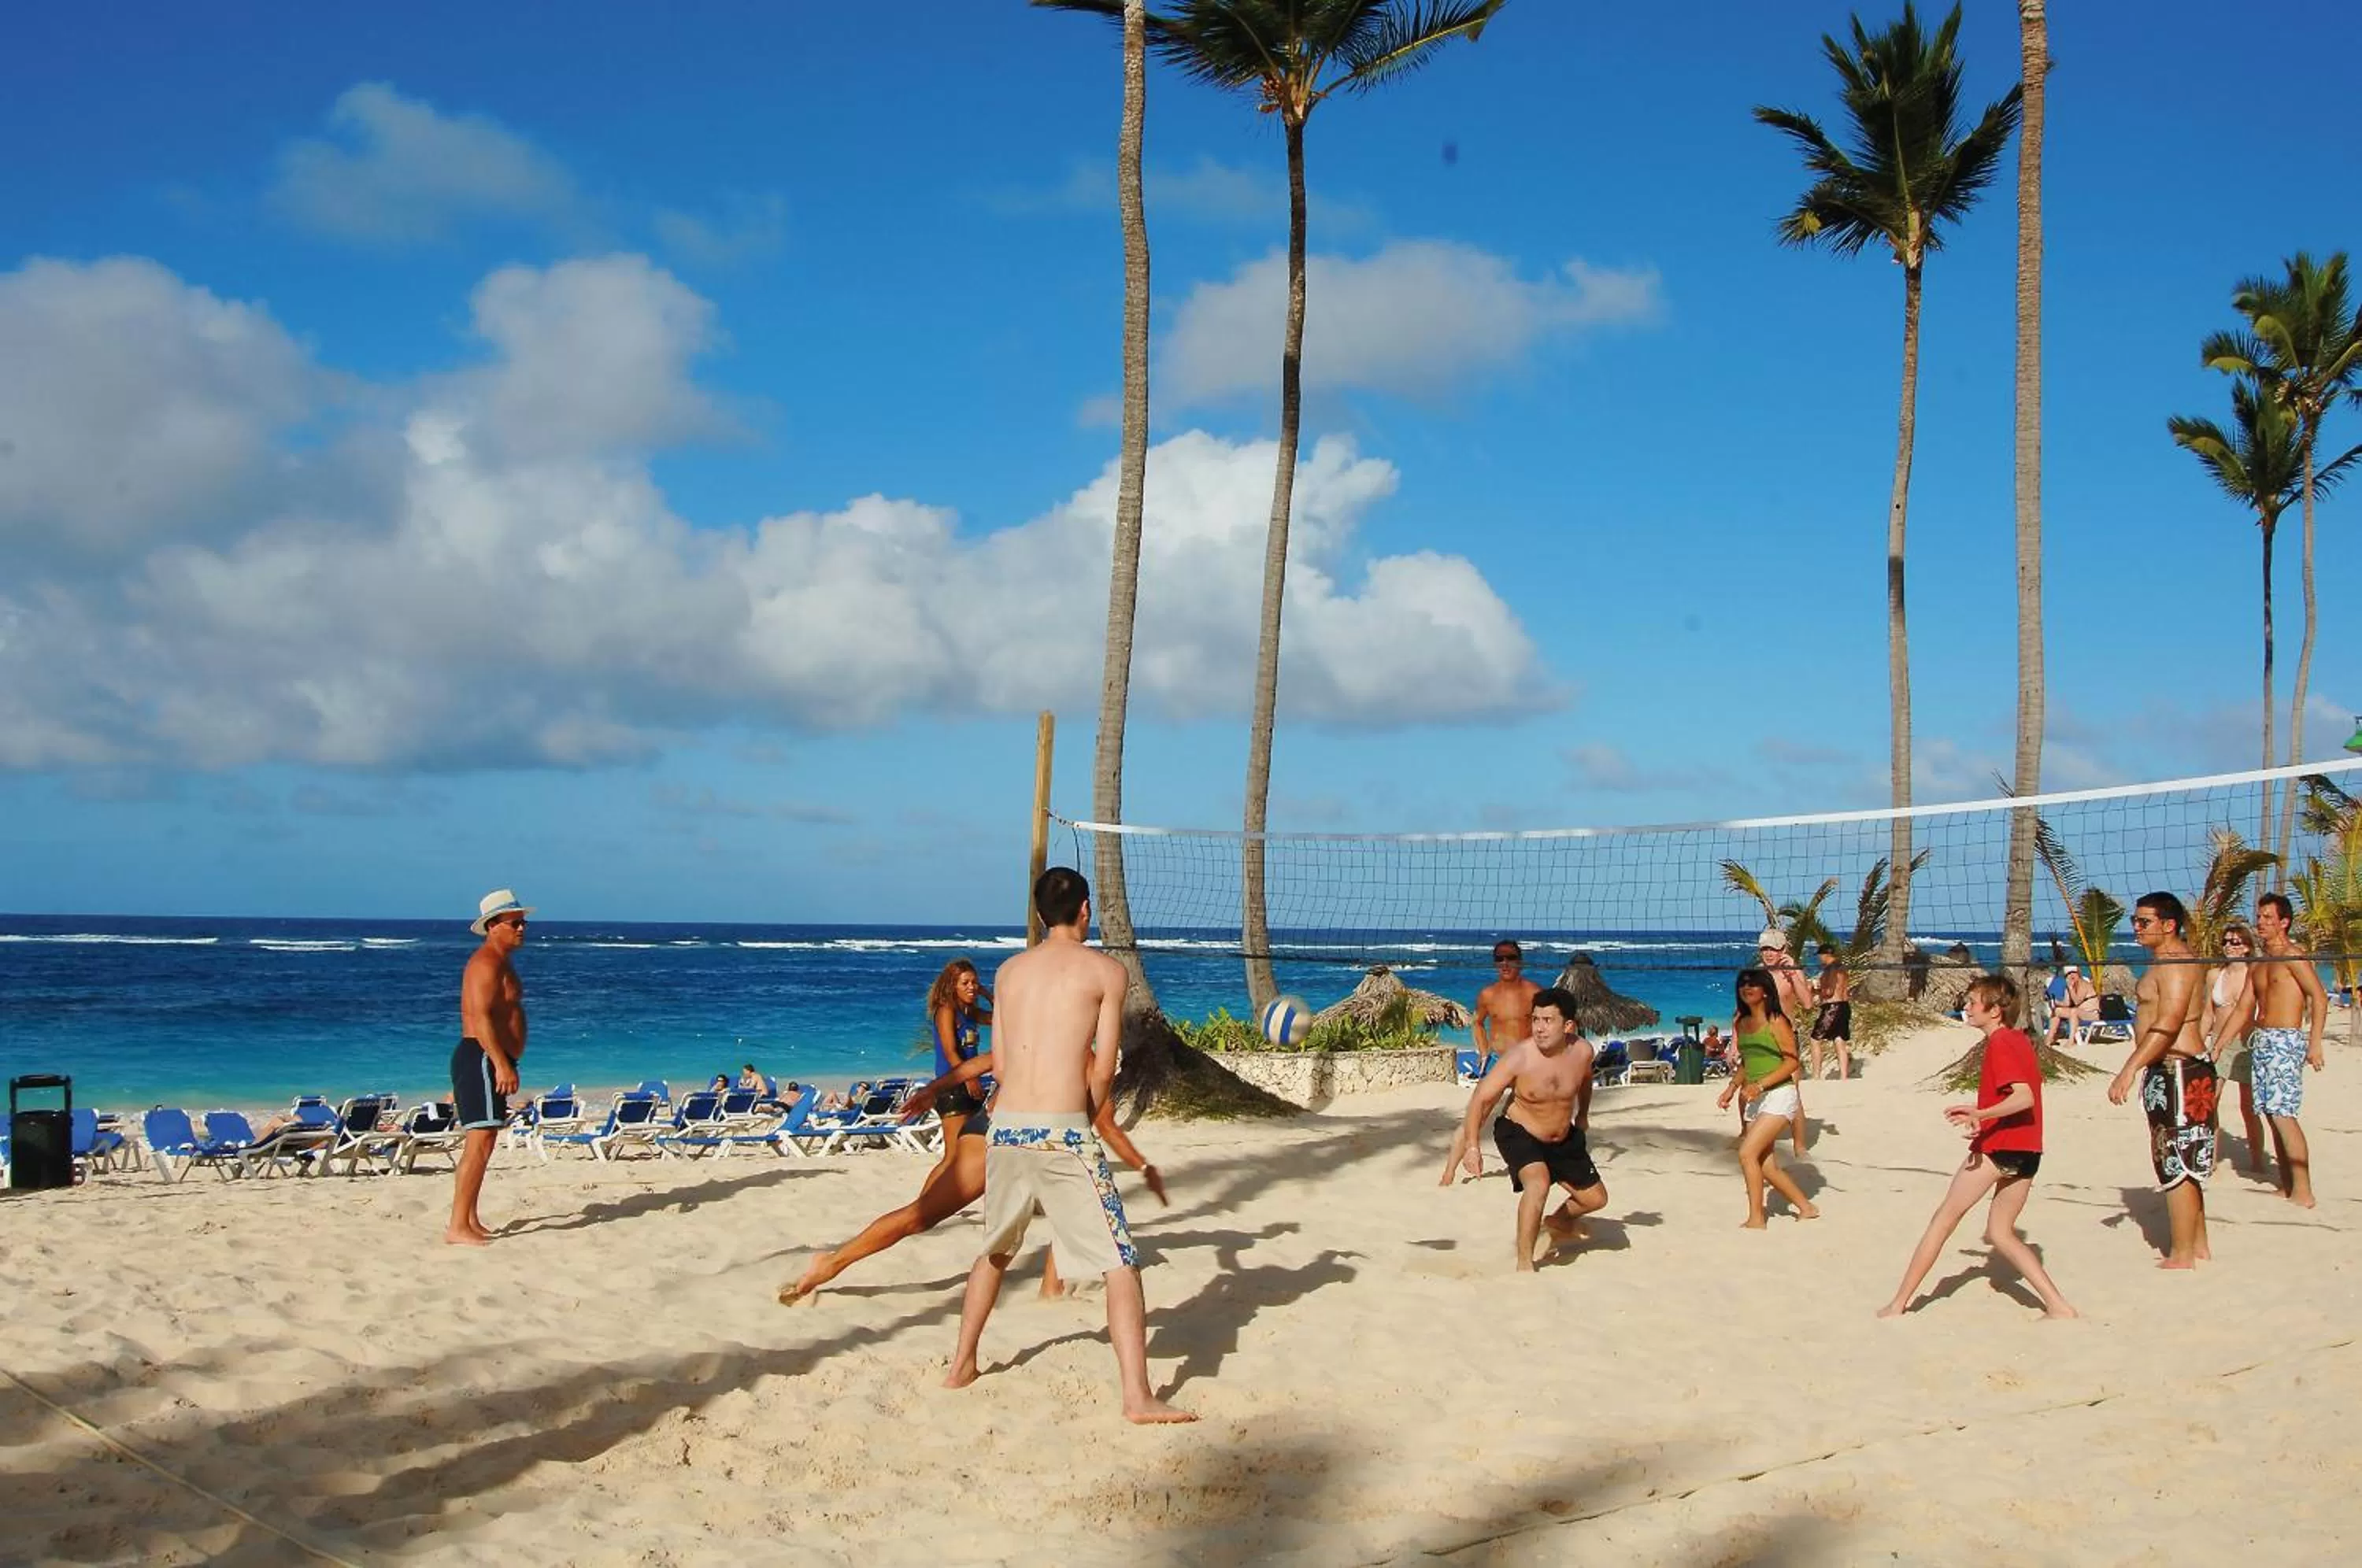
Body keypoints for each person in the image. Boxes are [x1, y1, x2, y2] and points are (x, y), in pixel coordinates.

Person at [942, 868, 1192, 1423]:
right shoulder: (1105, 970)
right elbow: (1103, 1067)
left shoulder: (1007, 972)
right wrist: (1085, 1113)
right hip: (1062, 1130)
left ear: (1038, 915)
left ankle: (961, 1365)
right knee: (1120, 1261)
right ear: (1085, 910)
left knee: (996, 1250)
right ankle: (1137, 1397)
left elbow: (1002, 1066)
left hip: (1006, 1127)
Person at [778, 1042, 1167, 1305]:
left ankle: (1053, 1289)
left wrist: (932, 1090)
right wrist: (1143, 1166)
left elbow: (975, 1065)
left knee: (1068, 1202)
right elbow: (1109, 1128)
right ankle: (829, 1264)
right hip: (994, 1139)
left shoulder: (1039, 1037)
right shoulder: (1082, 1060)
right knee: (920, 1216)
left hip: (1003, 1133)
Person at [1878, 974, 2076, 1319]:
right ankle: (2059, 1307)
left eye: (1973, 1002)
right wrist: (1984, 1119)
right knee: (2000, 1233)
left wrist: (1982, 1113)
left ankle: (1898, 1304)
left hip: (2001, 1150)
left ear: (1996, 1010)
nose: (1966, 1007)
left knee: (1944, 1219)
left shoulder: (2002, 1043)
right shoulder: (2019, 1040)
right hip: (2028, 1149)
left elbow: (2024, 1097)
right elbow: (2020, 1098)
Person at [1442, 986, 1609, 1271]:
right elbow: (1480, 1098)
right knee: (1538, 1183)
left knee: (1595, 1199)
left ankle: (1555, 1222)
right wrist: (1472, 1146)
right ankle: (1524, 1264)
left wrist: (1583, 1115)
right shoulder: (1520, 1057)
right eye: (1535, 1020)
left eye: (1547, 1021)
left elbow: (1584, 1080)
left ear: (1568, 1025)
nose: (1539, 1028)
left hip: (1562, 1136)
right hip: (1519, 1131)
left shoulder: (1582, 1051)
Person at [2107, 891, 2214, 1269]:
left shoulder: (2175, 962)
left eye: (2144, 922)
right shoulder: (2168, 961)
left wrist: (2129, 1069)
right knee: (2183, 1156)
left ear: (2168, 925)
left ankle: (2184, 1254)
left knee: (2178, 1160)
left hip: (2179, 1069)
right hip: (2174, 1068)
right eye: (2134, 921)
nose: (2136, 928)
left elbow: (2169, 1023)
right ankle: (2197, 1245)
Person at [448, 888, 530, 1247]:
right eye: (515, 923)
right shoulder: (485, 963)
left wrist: (508, 1060)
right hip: (481, 1056)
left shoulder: (502, 962)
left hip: (491, 1058)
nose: (522, 928)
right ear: (493, 925)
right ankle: (456, 1226)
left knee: (487, 1141)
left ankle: (469, 1218)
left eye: (523, 922)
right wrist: (500, 1063)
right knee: (478, 1143)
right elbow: (480, 1019)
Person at [1716, 967, 1819, 1228]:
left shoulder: (1777, 1020)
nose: (1747, 988)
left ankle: (1756, 1218)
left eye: (1753, 984)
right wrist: (1731, 1088)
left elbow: (1792, 1062)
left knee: (1747, 1154)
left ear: (1765, 991)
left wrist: (1760, 1086)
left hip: (1779, 1094)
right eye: (1743, 984)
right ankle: (1807, 1207)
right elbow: (1747, 1062)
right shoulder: (1742, 1022)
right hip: (1755, 1097)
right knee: (1766, 1166)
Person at [2251, 891, 2330, 1207]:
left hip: (2286, 1040)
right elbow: (2246, 1005)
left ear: (2284, 922)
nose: (2261, 922)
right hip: (2262, 1041)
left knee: (2284, 1114)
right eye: (2259, 916)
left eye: (2268, 918)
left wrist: (2315, 1042)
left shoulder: (2292, 955)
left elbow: (2319, 997)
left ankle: (2304, 1191)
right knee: (2270, 1114)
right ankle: (2287, 1185)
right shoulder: (2260, 962)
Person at [2202, 920, 2265, 1175]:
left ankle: (2258, 1162)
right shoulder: (2215, 975)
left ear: (2247, 947)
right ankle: (2211, 1160)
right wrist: (2200, 1042)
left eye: (2235, 942)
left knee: (2248, 1108)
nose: (2229, 945)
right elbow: (2208, 1013)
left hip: (2245, 1045)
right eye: (2226, 941)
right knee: (2209, 1103)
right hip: (2218, 1044)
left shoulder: (2256, 973)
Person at [1756, 930, 1813, 1155]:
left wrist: (1794, 973)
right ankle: (1755, 1137)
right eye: (1764, 949)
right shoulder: (1757, 974)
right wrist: (1735, 1043)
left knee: (1793, 1093)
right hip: (1761, 1040)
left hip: (1787, 1038)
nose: (1768, 953)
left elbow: (1807, 1003)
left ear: (1784, 950)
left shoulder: (1792, 973)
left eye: (1773, 949)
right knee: (1758, 1091)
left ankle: (1800, 1145)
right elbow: (1743, 1009)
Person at [1472, 940, 1542, 1078]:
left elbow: (1549, 1024)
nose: (1505, 963)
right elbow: (1477, 1022)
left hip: (1527, 1061)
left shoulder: (1534, 993)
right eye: (1499, 959)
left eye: (1511, 958)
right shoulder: (1487, 995)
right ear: (1495, 964)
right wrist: (1484, 1052)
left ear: (1520, 962)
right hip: (1497, 1062)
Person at [1811, 944, 1853, 1082]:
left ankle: (1816, 1076)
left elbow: (1829, 992)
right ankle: (1844, 1077)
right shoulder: (1842, 967)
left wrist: (1815, 990)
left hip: (1833, 1007)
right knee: (1839, 1040)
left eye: (1820, 956)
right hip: (1845, 1006)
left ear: (1824, 955)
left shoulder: (1831, 969)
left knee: (1815, 1039)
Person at [2045, 965, 2100, 1048]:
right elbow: (2066, 1003)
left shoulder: (2084, 984)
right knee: (2057, 1011)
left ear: (2078, 974)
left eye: (2074, 973)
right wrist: (2055, 1002)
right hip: (2079, 1013)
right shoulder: (2070, 986)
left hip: (2092, 1014)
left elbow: (2077, 1001)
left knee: (2074, 1011)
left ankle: (2071, 1041)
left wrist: (2070, 988)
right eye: (2069, 974)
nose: (2072, 976)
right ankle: (2049, 1039)